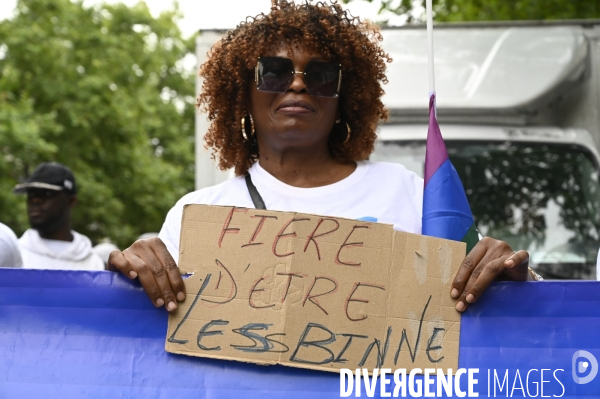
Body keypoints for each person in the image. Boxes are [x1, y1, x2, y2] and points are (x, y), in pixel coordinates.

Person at [109, 0, 536, 314]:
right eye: (274, 72)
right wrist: (123, 275)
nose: (297, 85)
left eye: (320, 75)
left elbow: (482, 303)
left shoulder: (408, 193)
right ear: (244, 93)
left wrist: (511, 277)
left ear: (344, 99)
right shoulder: (196, 214)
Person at [14, 162, 104, 271]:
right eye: (31, 194)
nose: (35, 200)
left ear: (71, 201)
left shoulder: (94, 263)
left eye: (46, 194)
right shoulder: (15, 255)